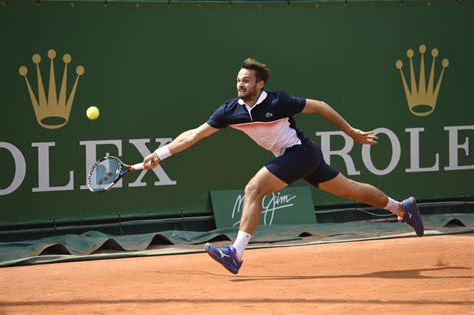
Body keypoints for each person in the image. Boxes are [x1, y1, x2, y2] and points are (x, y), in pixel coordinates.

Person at [143, 58, 424, 275]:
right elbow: (193, 134)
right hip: (300, 157)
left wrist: (351, 132)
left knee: (254, 189)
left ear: (259, 84)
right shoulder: (230, 110)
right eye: (238, 80)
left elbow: (322, 106)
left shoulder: (279, 101)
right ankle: (401, 207)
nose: (240, 85)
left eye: (246, 81)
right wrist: (161, 153)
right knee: (351, 190)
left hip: (300, 152)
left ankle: (235, 254)